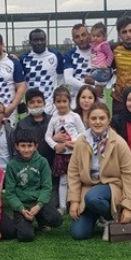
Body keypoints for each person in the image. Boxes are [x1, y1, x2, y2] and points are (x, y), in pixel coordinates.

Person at [67, 102, 131, 241]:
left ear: (108, 120)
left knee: (93, 198)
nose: (97, 122)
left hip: (111, 187)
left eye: (102, 118)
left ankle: (110, 218)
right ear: (87, 120)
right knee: (79, 234)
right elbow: (73, 172)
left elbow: (129, 175)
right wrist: (74, 200)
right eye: (93, 118)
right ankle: (98, 214)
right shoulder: (81, 141)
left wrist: (128, 206)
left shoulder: (119, 143)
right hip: (88, 188)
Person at [4, 129, 63, 242]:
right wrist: (21, 209)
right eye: (23, 146)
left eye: (30, 146)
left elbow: (46, 187)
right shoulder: (12, 165)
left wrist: (39, 205)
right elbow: (10, 193)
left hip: (38, 202)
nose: (26, 150)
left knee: (56, 219)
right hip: (22, 204)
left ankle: (41, 220)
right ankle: (20, 220)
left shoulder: (42, 162)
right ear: (16, 146)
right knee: (26, 236)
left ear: (36, 146)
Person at [44, 86, 86, 214]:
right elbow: (47, 136)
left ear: (69, 101)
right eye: (58, 101)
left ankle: (77, 203)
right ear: (54, 102)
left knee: (76, 179)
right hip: (61, 155)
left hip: (74, 153)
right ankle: (62, 206)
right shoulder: (54, 118)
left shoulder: (74, 116)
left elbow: (83, 132)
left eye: (64, 101)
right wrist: (55, 146)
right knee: (63, 180)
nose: (61, 104)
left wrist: (74, 142)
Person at [20, 29, 64, 115]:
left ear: (46, 40)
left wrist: (58, 94)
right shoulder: (23, 58)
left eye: (42, 39)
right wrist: (22, 101)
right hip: (33, 104)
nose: (39, 42)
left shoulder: (55, 55)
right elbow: (20, 83)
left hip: (51, 105)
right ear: (30, 42)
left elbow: (61, 77)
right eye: (36, 40)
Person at [63, 23, 96, 102]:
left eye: (83, 35)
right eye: (77, 37)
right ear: (73, 40)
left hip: (96, 96)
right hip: (77, 99)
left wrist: (96, 83)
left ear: (89, 35)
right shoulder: (70, 54)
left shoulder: (98, 51)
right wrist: (89, 88)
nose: (81, 39)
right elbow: (68, 79)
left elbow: (106, 76)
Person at [88, 22, 114, 95]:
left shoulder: (103, 45)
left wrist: (107, 64)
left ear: (104, 37)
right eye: (93, 36)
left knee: (89, 77)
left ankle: (108, 80)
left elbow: (110, 54)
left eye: (98, 36)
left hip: (103, 70)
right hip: (96, 69)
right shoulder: (93, 45)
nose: (95, 38)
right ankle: (99, 87)